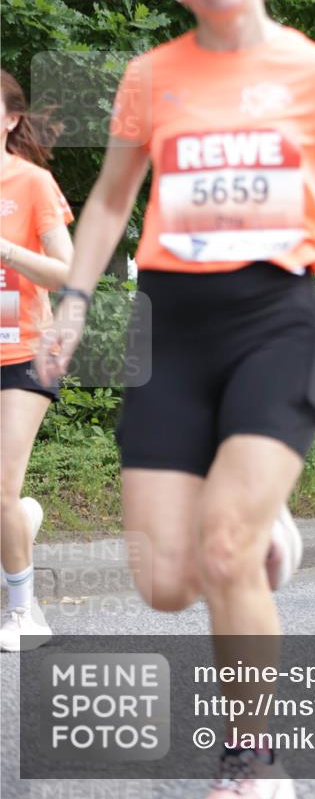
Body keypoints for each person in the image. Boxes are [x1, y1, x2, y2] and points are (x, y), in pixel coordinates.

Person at [36, 0, 315, 797]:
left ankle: (251, 759)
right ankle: (260, 529)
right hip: (170, 326)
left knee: (222, 553)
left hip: (274, 319)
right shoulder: (151, 75)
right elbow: (107, 201)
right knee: (167, 584)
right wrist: (77, 301)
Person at [0, 69, 74, 651]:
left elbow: (67, 270)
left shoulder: (32, 183)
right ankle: (21, 522)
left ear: (10, 119)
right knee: (5, 502)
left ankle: (23, 613)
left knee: (1, 486)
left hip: (24, 348)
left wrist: (4, 249)